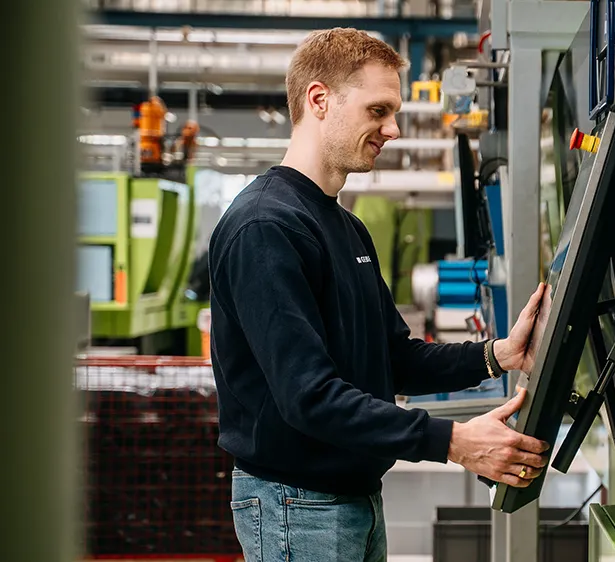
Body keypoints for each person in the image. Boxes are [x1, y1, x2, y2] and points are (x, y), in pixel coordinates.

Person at [208, 28, 550, 562]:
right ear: (319, 100)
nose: (392, 129)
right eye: (378, 110)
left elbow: (394, 358)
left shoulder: (346, 227)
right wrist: (453, 442)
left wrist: (497, 355)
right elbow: (310, 398)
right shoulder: (266, 227)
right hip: (298, 507)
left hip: (355, 499)